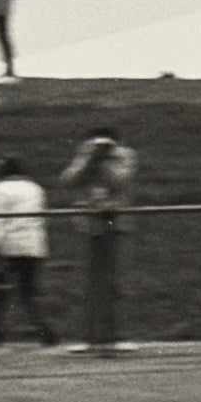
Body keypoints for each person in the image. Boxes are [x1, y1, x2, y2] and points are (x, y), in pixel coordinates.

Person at [60, 127, 138, 350]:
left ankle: (119, 337)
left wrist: (104, 160)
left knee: (117, 282)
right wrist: (88, 158)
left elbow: (119, 181)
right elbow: (68, 180)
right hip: (90, 225)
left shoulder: (126, 156)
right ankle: (87, 338)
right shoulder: (85, 156)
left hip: (116, 222)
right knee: (87, 283)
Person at [0, 158, 56, 346]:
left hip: (8, 247)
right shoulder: (36, 189)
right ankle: (45, 331)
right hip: (33, 246)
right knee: (29, 292)